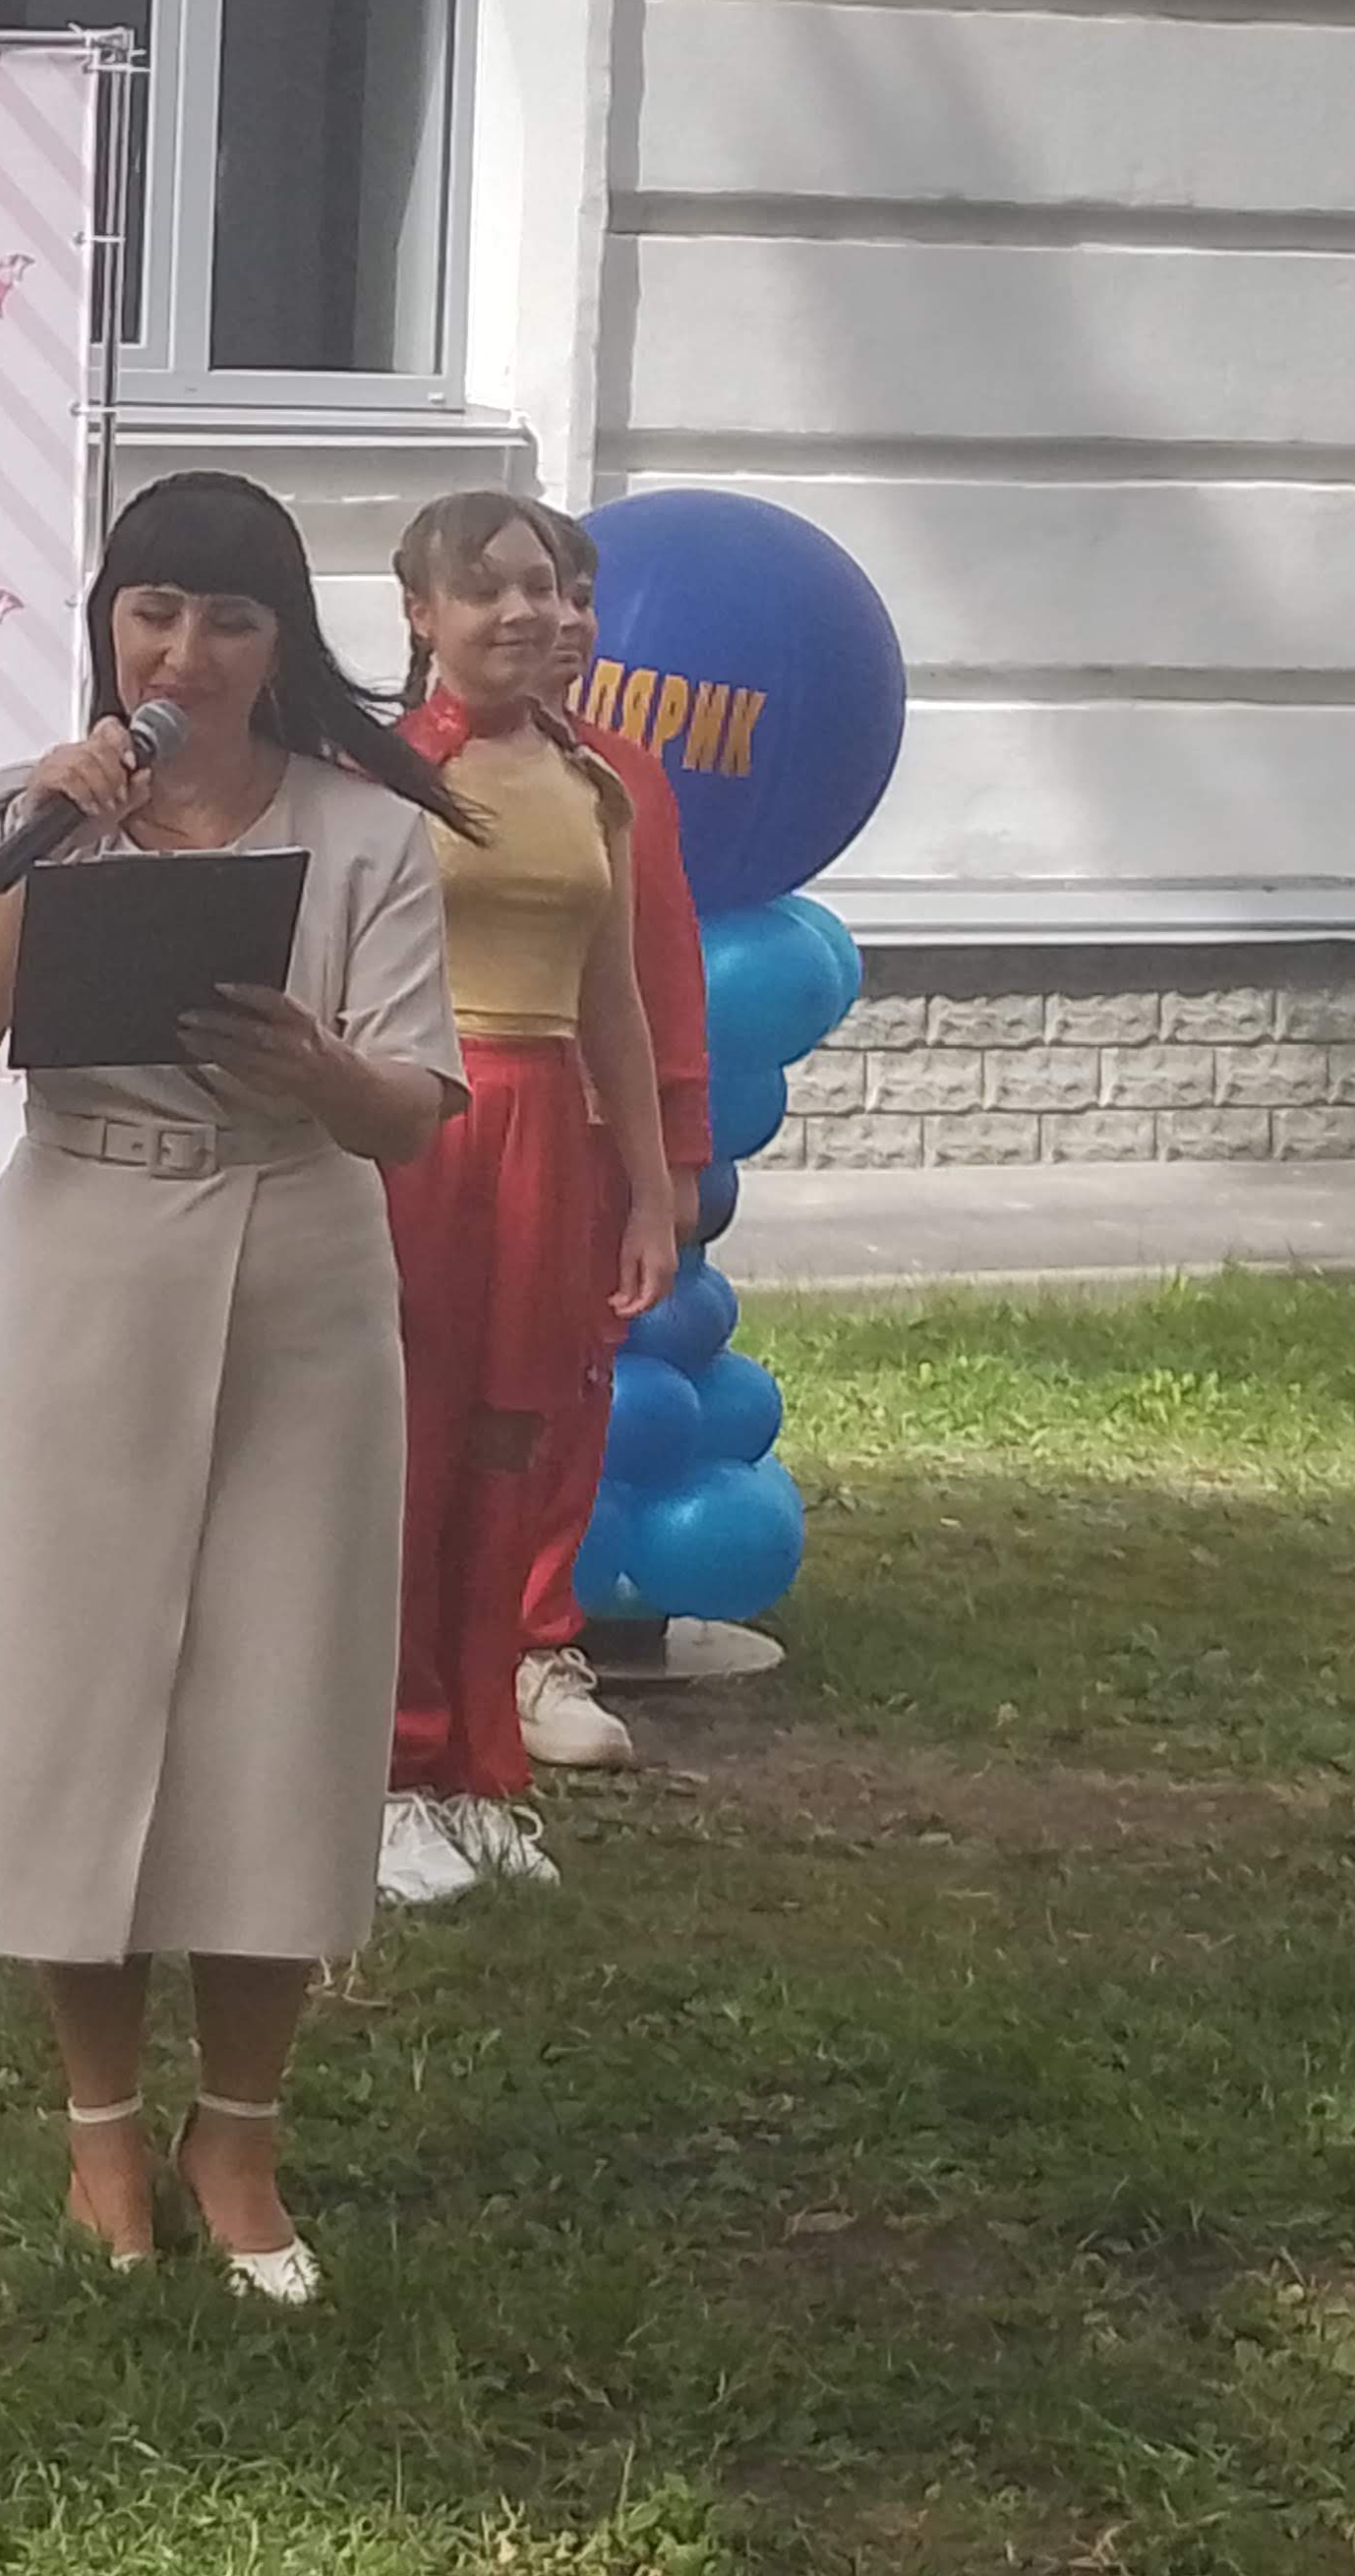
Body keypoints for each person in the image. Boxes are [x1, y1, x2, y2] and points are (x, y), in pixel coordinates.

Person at [0, 471, 468, 2303]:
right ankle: (99, 2132)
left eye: (228, 618)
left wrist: (319, 1070)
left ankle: (241, 2131)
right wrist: (50, 846)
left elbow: (414, 1115)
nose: (184, 651)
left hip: (301, 1267)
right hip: (83, 1255)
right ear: (108, 625)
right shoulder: (22, 808)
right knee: (73, 1688)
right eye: (152, 610)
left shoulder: (364, 834)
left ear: (279, 641)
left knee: (281, 1695)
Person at [379, 493, 680, 1908]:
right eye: (485, 588)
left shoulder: (592, 784)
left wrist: (648, 1193)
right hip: (419, 1131)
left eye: (545, 587)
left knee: (514, 1443)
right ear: (421, 613)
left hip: (548, 1131)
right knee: (411, 1454)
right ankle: (388, 1773)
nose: (524, 613)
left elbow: (612, 998)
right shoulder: (379, 775)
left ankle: (480, 1768)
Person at [512, 508, 714, 1771]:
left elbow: (658, 977)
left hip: (578, 1136)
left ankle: (534, 1645)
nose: (563, 622)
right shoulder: (382, 770)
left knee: (559, 1395)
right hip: (420, 1130)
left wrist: (668, 1160)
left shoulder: (621, 777)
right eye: (536, 593)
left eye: (579, 597)